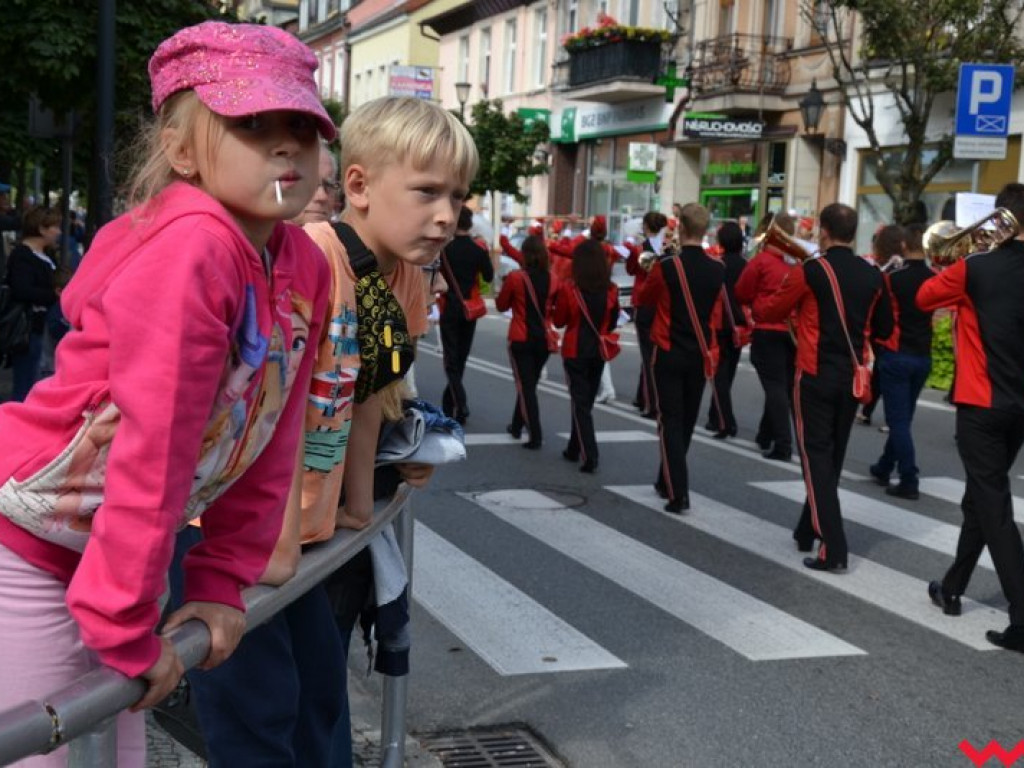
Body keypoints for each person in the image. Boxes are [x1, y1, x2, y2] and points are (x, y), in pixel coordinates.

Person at [0, 19, 334, 767]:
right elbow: (157, 444)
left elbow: (273, 432)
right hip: (25, 547)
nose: (287, 146)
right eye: (253, 124)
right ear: (181, 150)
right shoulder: (196, 247)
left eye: (303, 128)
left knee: (113, 755)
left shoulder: (301, 264)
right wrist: (124, 621)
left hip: (101, 556)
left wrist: (220, 580)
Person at [917, 182, 1024, 653]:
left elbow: (923, 297)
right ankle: (953, 586)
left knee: (994, 506)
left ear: (999, 219)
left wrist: (970, 258)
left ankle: (1022, 618)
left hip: (982, 404)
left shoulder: (975, 267)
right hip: (1020, 407)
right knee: (980, 499)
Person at [761, 203, 893, 571]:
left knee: (814, 458)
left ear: (823, 230)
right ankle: (807, 529)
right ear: (854, 234)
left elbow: (771, 311)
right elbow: (883, 329)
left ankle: (832, 547)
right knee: (830, 459)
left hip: (814, 375)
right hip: (851, 380)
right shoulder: (873, 276)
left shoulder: (811, 271)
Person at [636, 203, 724, 513]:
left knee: (669, 421)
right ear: (705, 230)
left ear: (681, 229)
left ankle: (678, 491)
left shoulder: (667, 266)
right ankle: (666, 479)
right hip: (699, 354)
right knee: (686, 421)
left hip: (669, 351)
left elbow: (643, 299)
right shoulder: (718, 269)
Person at [868, 224, 935, 500]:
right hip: (923, 355)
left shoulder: (893, 278)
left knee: (897, 421)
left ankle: (909, 477)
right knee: (903, 418)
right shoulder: (934, 278)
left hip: (896, 353)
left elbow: (879, 316)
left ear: (904, 247)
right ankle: (884, 466)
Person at [551, 238, 620, 473]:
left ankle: (589, 453)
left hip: (575, 350)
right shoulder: (611, 290)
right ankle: (574, 446)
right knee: (585, 402)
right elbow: (611, 323)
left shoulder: (570, 289)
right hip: (599, 350)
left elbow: (559, 320)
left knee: (580, 403)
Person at [734, 212, 798, 460]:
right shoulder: (797, 264)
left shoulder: (761, 261)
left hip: (768, 330)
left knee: (775, 388)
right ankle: (765, 434)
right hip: (791, 334)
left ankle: (782, 443)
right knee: (780, 386)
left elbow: (741, 292)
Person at [496, 234, 556, 449]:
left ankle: (535, 433)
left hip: (521, 337)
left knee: (526, 386)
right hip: (544, 339)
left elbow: (502, 306)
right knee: (528, 383)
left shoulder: (515, 278)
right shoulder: (554, 279)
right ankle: (516, 425)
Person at [439, 205, 493, 424]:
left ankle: (459, 403)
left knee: (450, 360)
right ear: (470, 224)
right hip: (469, 309)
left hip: (449, 308)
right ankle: (450, 402)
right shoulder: (478, 249)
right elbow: (488, 277)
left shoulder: (445, 250)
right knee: (461, 358)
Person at [5, 205, 60, 401]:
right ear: (42, 229)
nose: (58, 231)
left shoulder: (42, 255)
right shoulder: (23, 255)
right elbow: (22, 290)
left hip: (38, 325)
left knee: (34, 377)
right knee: (27, 382)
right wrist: (54, 295)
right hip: (29, 327)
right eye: (55, 226)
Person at [857, 223, 904, 427]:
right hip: (899, 325)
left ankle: (879, 413)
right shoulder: (896, 266)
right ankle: (869, 410)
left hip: (886, 324)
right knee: (882, 370)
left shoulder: (888, 269)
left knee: (886, 372)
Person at [704, 220, 748, 439]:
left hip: (721, 324)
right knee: (727, 375)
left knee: (718, 375)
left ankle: (726, 421)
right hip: (739, 325)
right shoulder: (746, 264)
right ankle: (715, 416)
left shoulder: (717, 264)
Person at [625, 210, 668, 418]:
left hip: (643, 301)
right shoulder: (669, 248)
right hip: (661, 304)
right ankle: (641, 396)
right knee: (652, 352)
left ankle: (652, 403)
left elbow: (631, 270)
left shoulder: (640, 248)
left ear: (645, 227)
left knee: (647, 353)